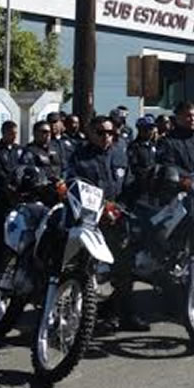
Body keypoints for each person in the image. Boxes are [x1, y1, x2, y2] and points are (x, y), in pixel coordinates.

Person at [69, 115, 147, 331]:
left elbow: (129, 187)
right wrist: (101, 207)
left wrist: (121, 208)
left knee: (123, 271)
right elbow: (74, 185)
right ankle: (83, 319)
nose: (106, 137)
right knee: (87, 272)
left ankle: (123, 315)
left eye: (111, 133)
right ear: (90, 133)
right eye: (101, 133)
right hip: (89, 222)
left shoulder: (120, 155)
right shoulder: (79, 157)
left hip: (117, 221)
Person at [0, 120, 22, 275]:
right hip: (0, 199)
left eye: (15, 133)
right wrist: (9, 186)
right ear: (4, 133)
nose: (14, 137)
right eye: (11, 133)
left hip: (18, 198)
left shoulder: (19, 150)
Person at [125, 115, 159, 204]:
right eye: (147, 129)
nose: (150, 131)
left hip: (154, 188)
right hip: (139, 187)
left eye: (152, 128)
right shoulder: (134, 147)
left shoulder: (154, 145)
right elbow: (133, 167)